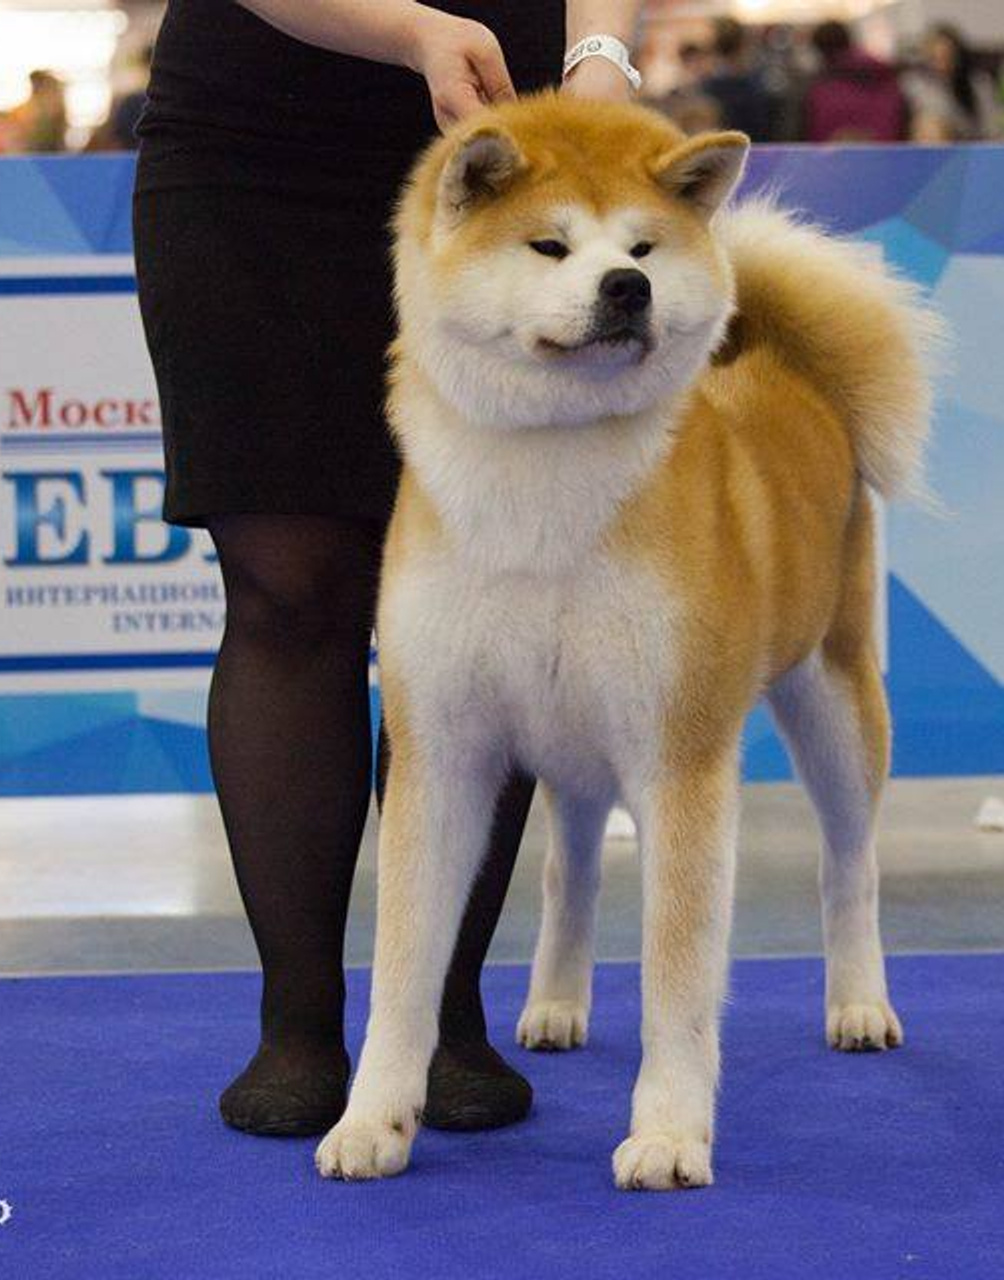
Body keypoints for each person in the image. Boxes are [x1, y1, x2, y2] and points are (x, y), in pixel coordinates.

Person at [132, 0, 641, 1139]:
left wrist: (598, 54)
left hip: (514, 143)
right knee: (288, 587)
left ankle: (442, 1014)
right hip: (257, 149)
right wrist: (409, 29)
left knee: (487, 590)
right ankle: (298, 1022)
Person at [803, 20, 908, 144]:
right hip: (885, 159)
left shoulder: (818, 88)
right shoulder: (885, 76)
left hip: (832, 161)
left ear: (819, 51)